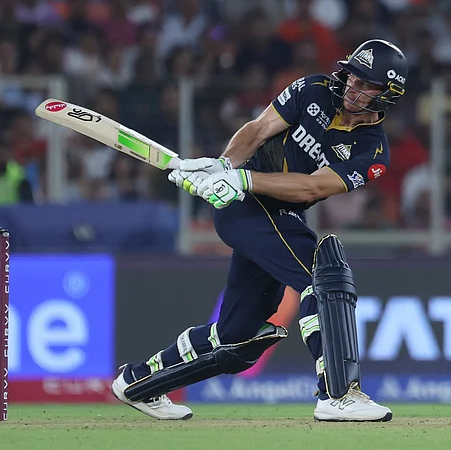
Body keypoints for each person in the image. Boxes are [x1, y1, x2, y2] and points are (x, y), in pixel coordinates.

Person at [111, 39, 407, 422]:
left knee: (237, 335)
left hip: (273, 212)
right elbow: (259, 129)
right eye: (354, 76)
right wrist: (221, 166)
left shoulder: (373, 149)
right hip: (247, 210)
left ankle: (139, 381)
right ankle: (337, 393)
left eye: (369, 86)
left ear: (388, 96)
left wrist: (243, 179)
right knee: (325, 273)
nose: (355, 88)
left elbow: (314, 187)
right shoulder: (312, 89)